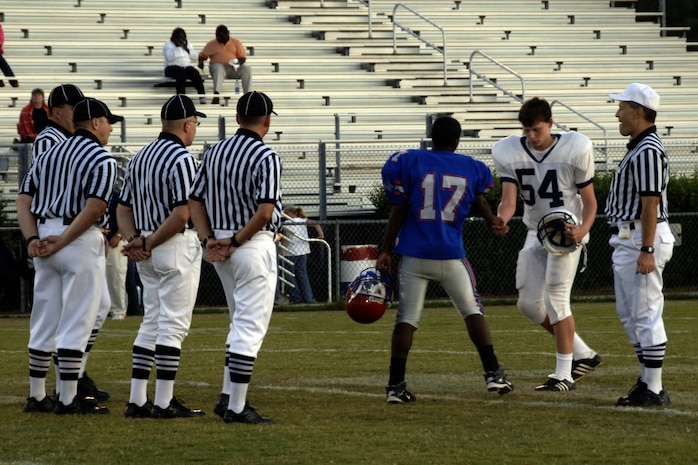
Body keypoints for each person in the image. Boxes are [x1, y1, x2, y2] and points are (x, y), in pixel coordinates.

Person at [376, 116, 514, 404]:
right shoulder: (472, 167)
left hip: (414, 256)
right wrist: (491, 220)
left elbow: (398, 211)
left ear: (430, 137)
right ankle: (493, 374)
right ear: (457, 141)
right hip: (451, 255)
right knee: (472, 311)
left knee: (407, 320)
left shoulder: (410, 161)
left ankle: (395, 387)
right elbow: (480, 198)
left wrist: (386, 249)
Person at [18, 97, 121, 414]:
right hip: (76, 240)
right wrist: (63, 240)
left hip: (45, 236)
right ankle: (66, 398)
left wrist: (33, 238)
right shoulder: (101, 159)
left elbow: (24, 200)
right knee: (77, 320)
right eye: (107, 122)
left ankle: (37, 396)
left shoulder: (48, 155)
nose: (110, 129)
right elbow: (95, 208)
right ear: (95, 123)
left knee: (44, 319)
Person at [491, 97, 602, 392]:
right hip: (534, 230)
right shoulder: (508, 151)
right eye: (526, 130)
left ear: (551, 124)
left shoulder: (575, 147)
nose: (531, 136)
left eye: (536, 129)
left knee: (556, 298)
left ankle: (563, 373)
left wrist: (583, 230)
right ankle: (583, 354)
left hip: (567, 230)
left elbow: (590, 201)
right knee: (528, 304)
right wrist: (502, 219)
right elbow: (509, 201)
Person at [189, 90, 282, 424]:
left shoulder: (214, 152)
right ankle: (237, 407)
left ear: (238, 118)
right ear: (267, 121)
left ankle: (228, 395)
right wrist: (235, 241)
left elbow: (195, 200)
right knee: (248, 326)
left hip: (222, 249)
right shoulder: (265, 156)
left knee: (238, 321)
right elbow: (265, 211)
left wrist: (208, 238)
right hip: (250, 245)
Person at [117, 94, 206, 419]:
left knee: (151, 321)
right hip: (172, 245)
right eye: (195, 123)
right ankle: (164, 401)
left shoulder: (140, 157)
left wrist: (135, 240)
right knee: (173, 325)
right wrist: (151, 241)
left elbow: (122, 208)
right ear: (187, 124)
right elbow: (182, 213)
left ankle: (137, 399)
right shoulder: (182, 159)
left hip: (146, 248)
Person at [606, 83, 674, 407]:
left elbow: (651, 203)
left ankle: (655, 389)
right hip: (630, 237)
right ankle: (649, 383)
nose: (617, 112)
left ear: (639, 111)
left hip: (640, 237)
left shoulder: (647, 150)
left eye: (622, 106)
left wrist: (646, 249)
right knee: (631, 315)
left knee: (646, 314)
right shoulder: (639, 146)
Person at [198, 25, 251, 104]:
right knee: (218, 66)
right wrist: (201, 62)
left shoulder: (236, 42)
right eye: (217, 36)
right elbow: (202, 56)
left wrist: (237, 62)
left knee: (247, 68)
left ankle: (247, 95)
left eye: (221, 36)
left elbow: (242, 58)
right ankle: (216, 95)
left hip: (233, 68)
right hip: (218, 69)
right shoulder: (212, 43)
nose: (219, 38)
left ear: (227, 34)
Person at [281, 205, 324, 304]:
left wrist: (281, 250)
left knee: (289, 276)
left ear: (290, 214)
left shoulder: (288, 222)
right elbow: (315, 223)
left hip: (290, 252)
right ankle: (309, 297)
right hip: (303, 251)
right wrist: (321, 234)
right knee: (302, 275)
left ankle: (296, 297)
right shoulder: (302, 220)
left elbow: (286, 237)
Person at [32, 84, 85, 160]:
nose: (80, 112)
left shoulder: (76, 137)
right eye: (75, 108)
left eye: (81, 108)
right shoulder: (48, 140)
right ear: (57, 112)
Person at [163, 27, 206, 102]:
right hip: (171, 67)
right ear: (174, 38)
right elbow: (169, 57)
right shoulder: (168, 44)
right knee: (181, 73)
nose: (181, 40)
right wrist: (177, 47)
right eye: (179, 38)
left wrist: (187, 49)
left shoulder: (187, 44)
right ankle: (181, 98)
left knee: (194, 72)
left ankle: (202, 96)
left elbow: (195, 57)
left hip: (186, 66)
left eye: (183, 38)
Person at [105, 189, 128, 320]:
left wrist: (118, 234)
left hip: (114, 241)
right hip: (98, 241)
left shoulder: (116, 196)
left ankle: (118, 310)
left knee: (115, 277)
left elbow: (124, 214)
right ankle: (101, 310)